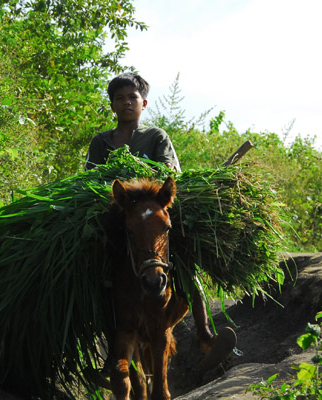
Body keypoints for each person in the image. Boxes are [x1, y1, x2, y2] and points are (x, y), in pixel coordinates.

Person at [85, 72, 236, 372]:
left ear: (144, 103)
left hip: (153, 213)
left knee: (185, 261)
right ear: (112, 105)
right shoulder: (102, 141)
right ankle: (109, 350)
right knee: (95, 266)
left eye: (132, 97)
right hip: (118, 216)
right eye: (120, 98)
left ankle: (205, 334)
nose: (126, 102)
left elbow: (169, 170)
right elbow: (88, 178)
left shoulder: (156, 136)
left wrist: (137, 169)